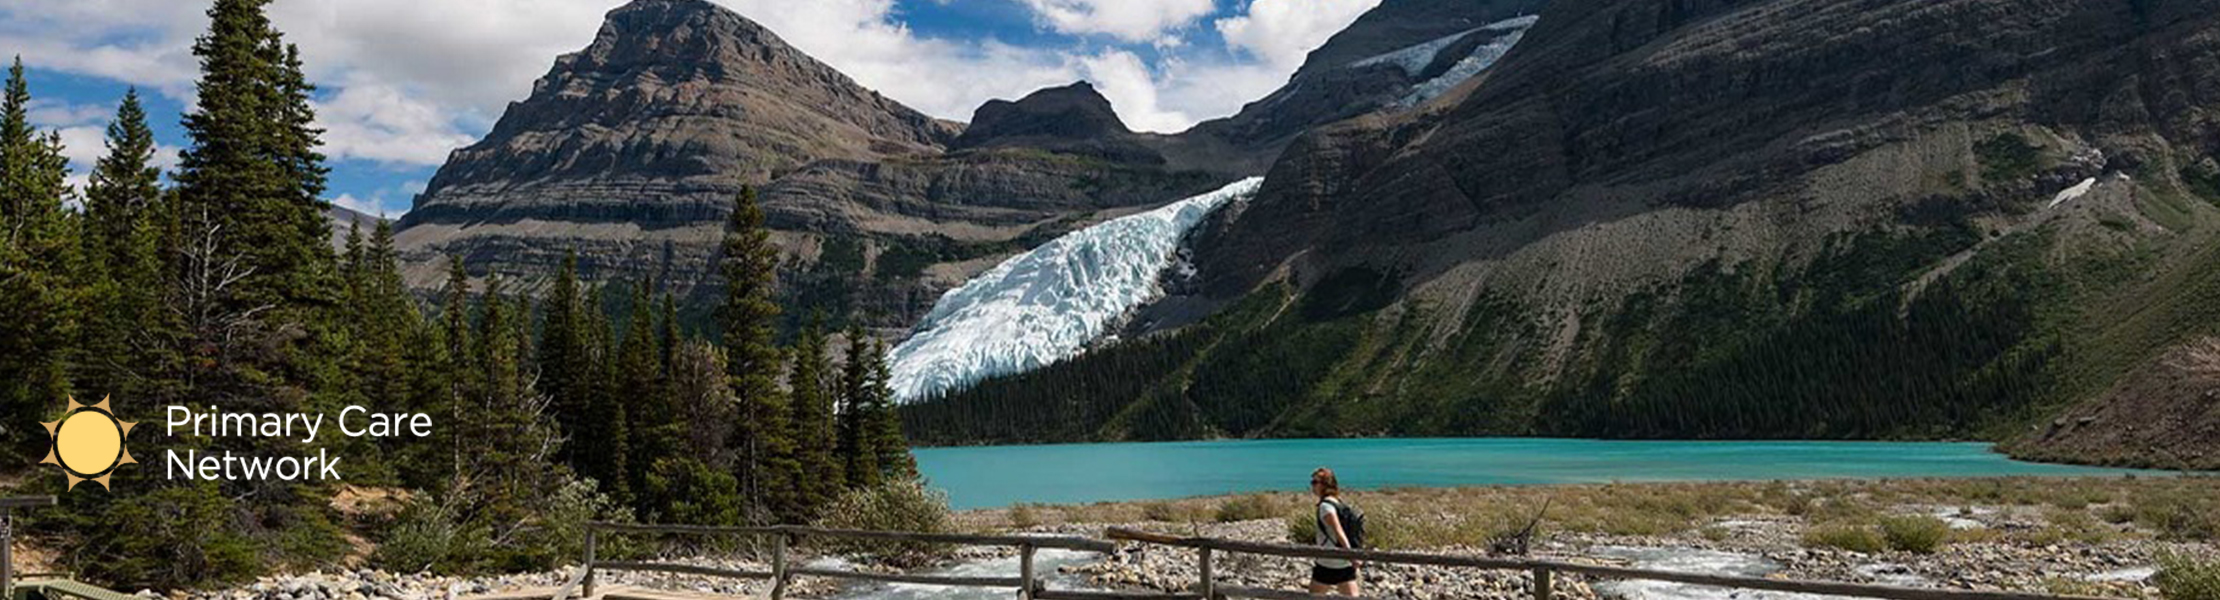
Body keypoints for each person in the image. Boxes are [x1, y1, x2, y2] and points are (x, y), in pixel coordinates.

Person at [1307, 467, 1361, 597]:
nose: (1312, 486)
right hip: (1344, 562)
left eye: (1315, 482)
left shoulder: (1325, 507)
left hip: (1328, 560)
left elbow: (1339, 532)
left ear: (1325, 485)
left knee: (1314, 597)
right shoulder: (1338, 502)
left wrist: (1352, 556)